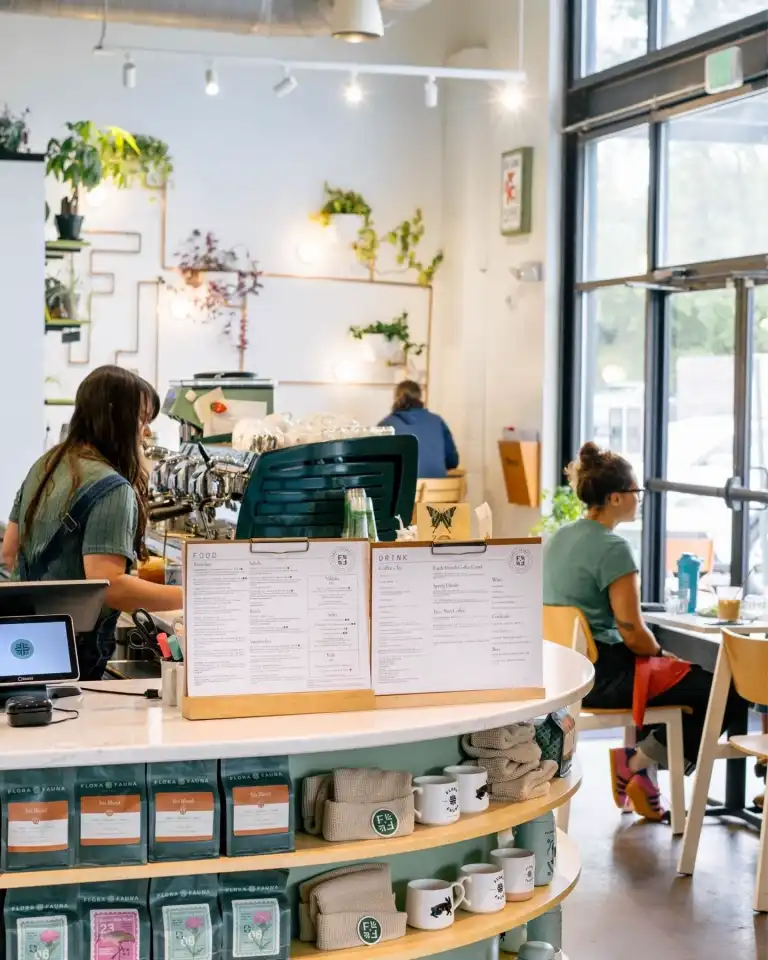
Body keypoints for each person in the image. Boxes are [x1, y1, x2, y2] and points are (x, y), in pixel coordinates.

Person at [543, 441, 739, 822]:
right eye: (636, 492)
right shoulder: (614, 548)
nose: (640, 499)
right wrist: (664, 656)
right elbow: (632, 631)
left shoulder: (559, 539)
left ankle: (644, 772)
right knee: (723, 691)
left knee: (677, 682)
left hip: (567, 673)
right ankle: (637, 762)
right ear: (615, 497)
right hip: (607, 677)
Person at [1, 365, 183, 680]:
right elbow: (111, 586)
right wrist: (190, 596)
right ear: (117, 419)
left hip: (28, 641)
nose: (146, 432)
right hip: (76, 647)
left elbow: (9, 549)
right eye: (141, 420)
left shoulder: (46, 463)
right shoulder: (113, 488)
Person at [379, 380, 459, 478]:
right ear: (419, 397)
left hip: (403, 491)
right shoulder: (437, 421)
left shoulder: (386, 425)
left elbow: (376, 466)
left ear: (396, 398)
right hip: (437, 491)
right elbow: (453, 461)